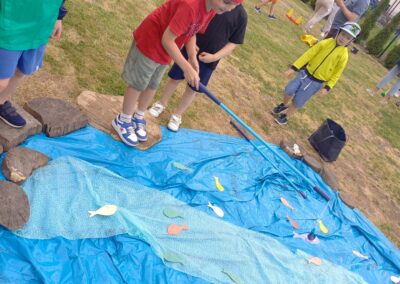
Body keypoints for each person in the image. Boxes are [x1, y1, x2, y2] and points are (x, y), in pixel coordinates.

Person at [112, 0, 242, 147]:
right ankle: (123, 119)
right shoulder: (190, 6)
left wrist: (192, 57)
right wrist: (186, 68)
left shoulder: (212, 9)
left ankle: (138, 115)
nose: (229, 9)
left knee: (153, 84)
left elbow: (192, 32)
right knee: (139, 84)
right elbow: (167, 39)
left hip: (167, 47)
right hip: (152, 40)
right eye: (226, 2)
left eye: (233, 6)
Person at [148, 5, 247, 132]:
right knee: (175, 78)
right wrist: (191, 46)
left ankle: (177, 115)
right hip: (190, 49)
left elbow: (233, 42)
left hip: (209, 60)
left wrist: (215, 57)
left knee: (193, 88)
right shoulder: (213, 3)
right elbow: (195, 23)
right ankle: (161, 104)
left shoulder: (241, 16)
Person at [272, 22, 361, 125]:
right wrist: (294, 68)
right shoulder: (326, 42)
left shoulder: (344, 56)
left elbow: (337, 74)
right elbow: (309, 54)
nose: (343, 38)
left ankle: (286, 116)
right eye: (343, 34)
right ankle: (284, 104)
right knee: (289, 89)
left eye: (347, 37)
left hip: (316, 83)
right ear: (339, 32)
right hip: (305, 73)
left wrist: (327, 88)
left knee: (298, 101)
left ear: (351, 41)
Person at [0, 0, 67, 128]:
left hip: (41, 22)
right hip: (8, 21)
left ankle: (1, 102)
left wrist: (59, 16)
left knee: (20, 71)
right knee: (1, 81)